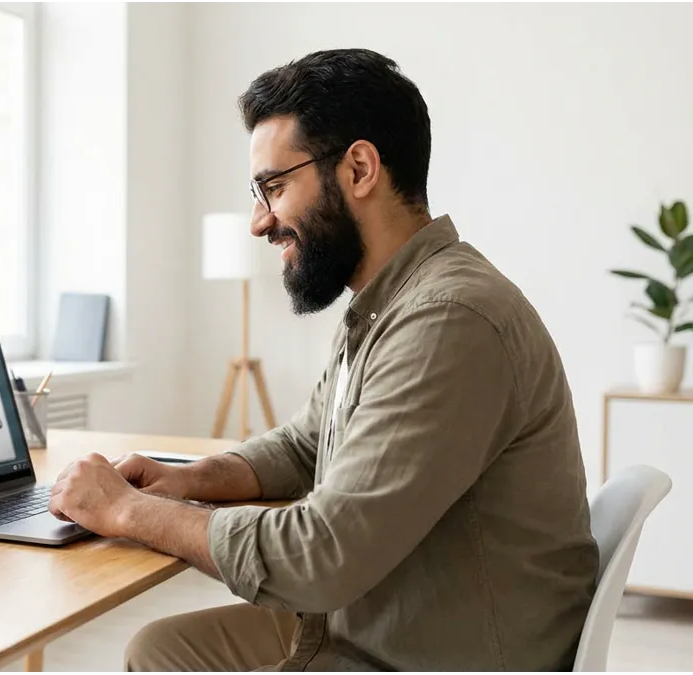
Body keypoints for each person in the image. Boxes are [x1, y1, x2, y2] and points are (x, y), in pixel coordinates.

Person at [46, 48, 599, 672]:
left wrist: (128, 510)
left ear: (359, 169)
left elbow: (320, 557)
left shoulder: (448, 320)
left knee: (160, 658)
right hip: (390, 610)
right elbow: (307, 445)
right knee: (159, 648)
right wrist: (186, 479)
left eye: (274, 188)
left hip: (429, 648)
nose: (259, 222)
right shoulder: (389, 303)